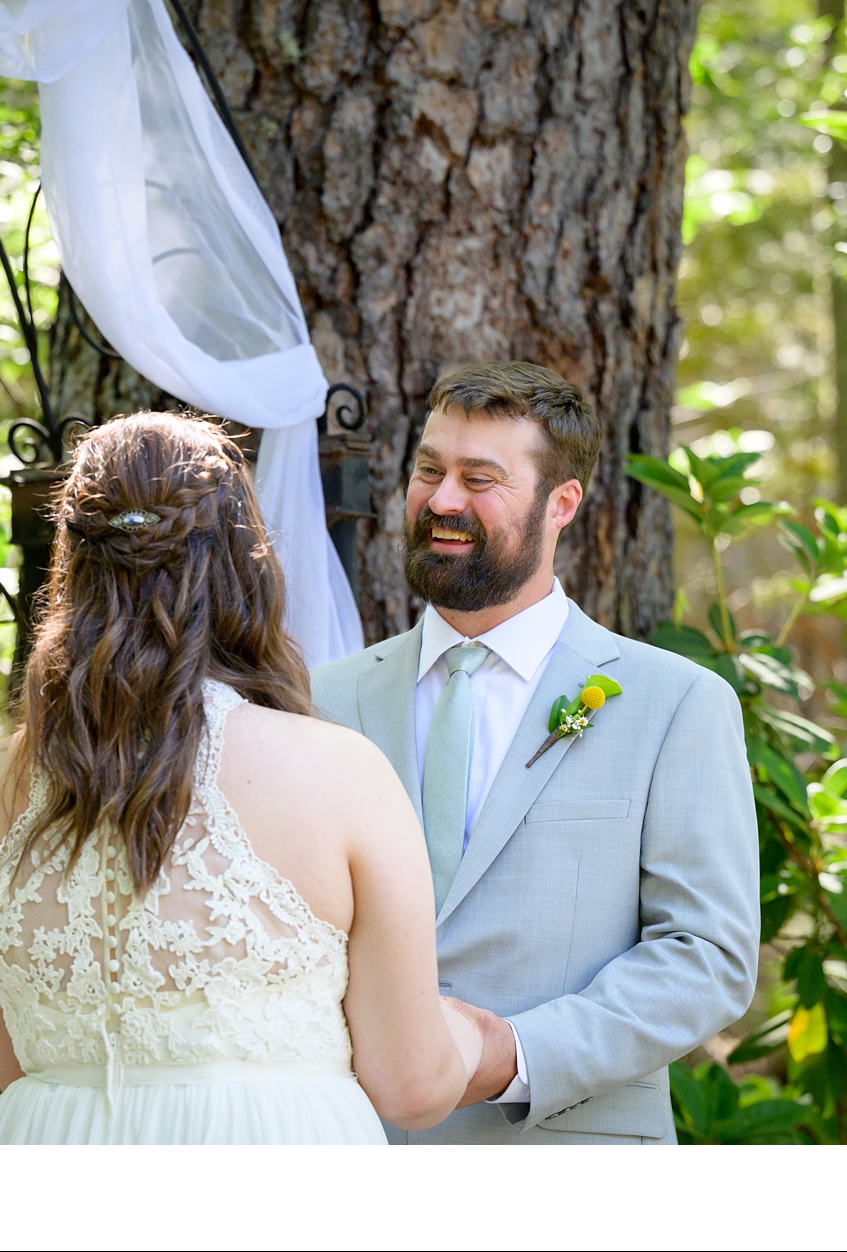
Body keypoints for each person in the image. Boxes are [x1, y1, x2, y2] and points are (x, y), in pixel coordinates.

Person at [0, 411, 482, 1144]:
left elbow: (12, 1067)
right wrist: (474, 1037)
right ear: (242, 563)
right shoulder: (337, 771)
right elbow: (411, 1086)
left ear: (74, 562)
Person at [311, 362, 760, 1144]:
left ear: (562, 504)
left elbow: (707, 957)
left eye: (479, 479)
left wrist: (511, 1055)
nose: (443, 501)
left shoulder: (676, 704)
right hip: (350, 1147)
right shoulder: (320, 703)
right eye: (429, 470)